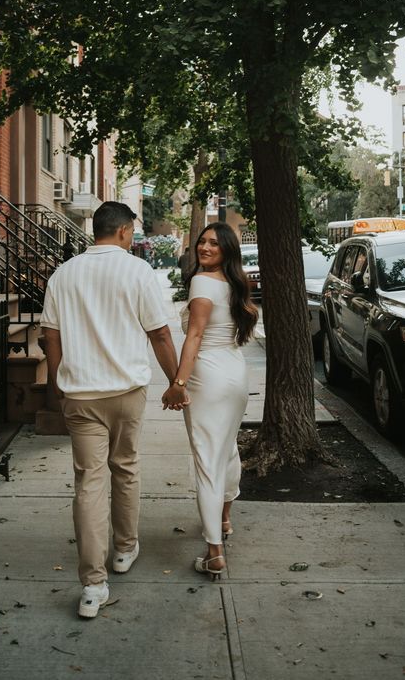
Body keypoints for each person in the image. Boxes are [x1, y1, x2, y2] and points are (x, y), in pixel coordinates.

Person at [41, 201, 188, 619]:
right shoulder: (138, 271)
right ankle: (124, 549)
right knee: (125, 466)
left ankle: (92, 585)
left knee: (89, 483)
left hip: (81, 394)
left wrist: (57, 385)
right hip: (126, 391)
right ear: (124, 231)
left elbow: (50, 336)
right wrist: (176, 382)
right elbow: (159, 333)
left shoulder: (63, 274)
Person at [162, 222, 258, 580]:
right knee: (226, 450)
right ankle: (224, 519)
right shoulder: (234, 283)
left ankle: (214, 552)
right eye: (202, 241)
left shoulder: (202, 282)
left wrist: (178, 382)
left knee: (207, 459)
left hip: (209, 377)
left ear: (227, 250)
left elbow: (196, 335)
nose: (204, 247)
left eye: (214, 244)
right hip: (235, 372)